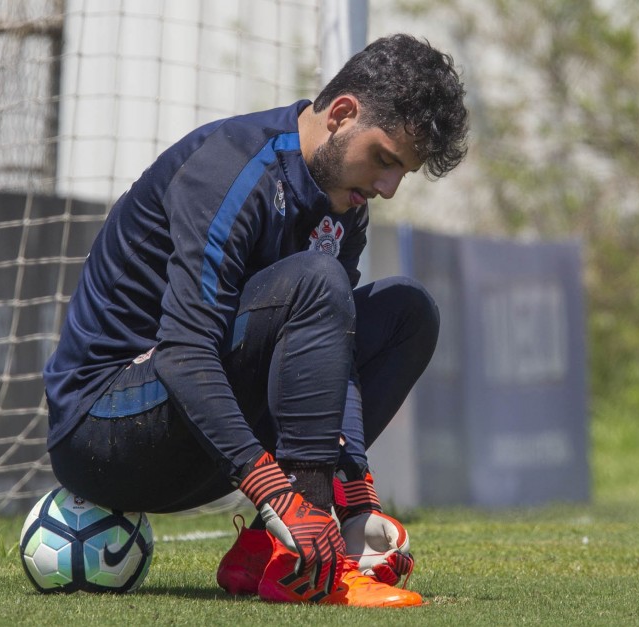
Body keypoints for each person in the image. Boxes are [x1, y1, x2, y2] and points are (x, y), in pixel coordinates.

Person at [43, 33, 469, 607]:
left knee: (407, 313)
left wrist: (356, 496)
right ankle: (307, 545)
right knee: (319, 281)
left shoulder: (344, 201)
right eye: (386, 160)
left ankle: (281, 549)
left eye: (402, 174)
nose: (388, 187)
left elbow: (331, 348)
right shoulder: (230, 168)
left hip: (205, 442)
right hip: (105, 431)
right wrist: (284, 496)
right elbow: (183, 352)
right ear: (342, 114)